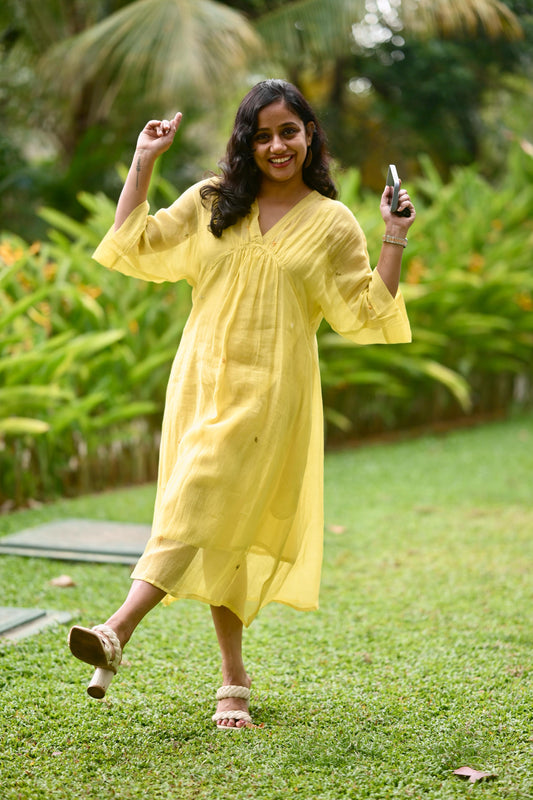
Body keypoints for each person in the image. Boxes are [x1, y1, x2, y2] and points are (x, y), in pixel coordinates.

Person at [68, 79, 415, 729]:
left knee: (200, 495)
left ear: (310, 135)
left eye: (288, 131)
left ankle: (117, 628)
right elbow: (133, 240)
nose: (277, 146)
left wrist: (393, 235)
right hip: (200, 378)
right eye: (262, 135)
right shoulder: (211, 199)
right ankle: (233, 681)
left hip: (272, 391)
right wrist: (143, 160)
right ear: (245, 143)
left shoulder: (332, 222)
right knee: (219, 519)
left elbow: (368, 309)